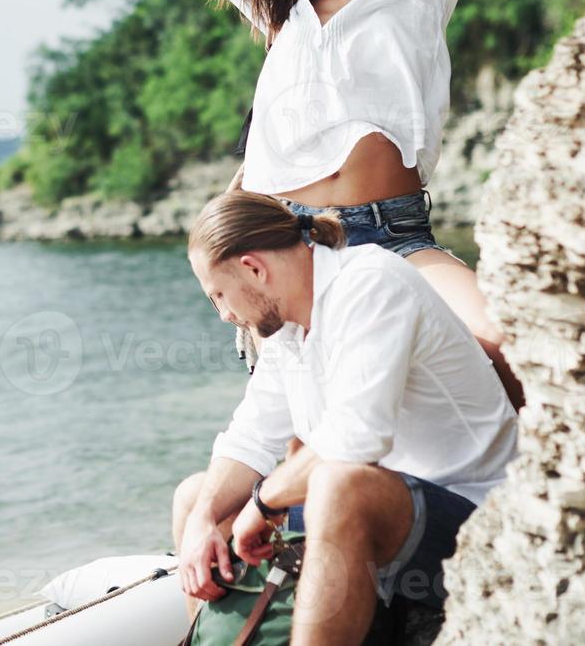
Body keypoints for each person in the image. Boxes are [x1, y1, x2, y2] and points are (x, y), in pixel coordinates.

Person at [82, 0, 523, 410]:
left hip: (396, 235)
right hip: (292, 248)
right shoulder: (281, 13)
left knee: (502, 342)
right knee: (306, 430)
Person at [173, 191, 518, 644]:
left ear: (254, 269)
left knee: (339, 484)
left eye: (219, 294)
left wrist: (263, 504)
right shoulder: (287, 329)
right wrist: (204, 517)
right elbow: (249, 439)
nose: (224, 314)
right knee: (194, 496)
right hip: (386, 507)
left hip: (473, 515)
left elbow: (357, 438)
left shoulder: (370, 282)